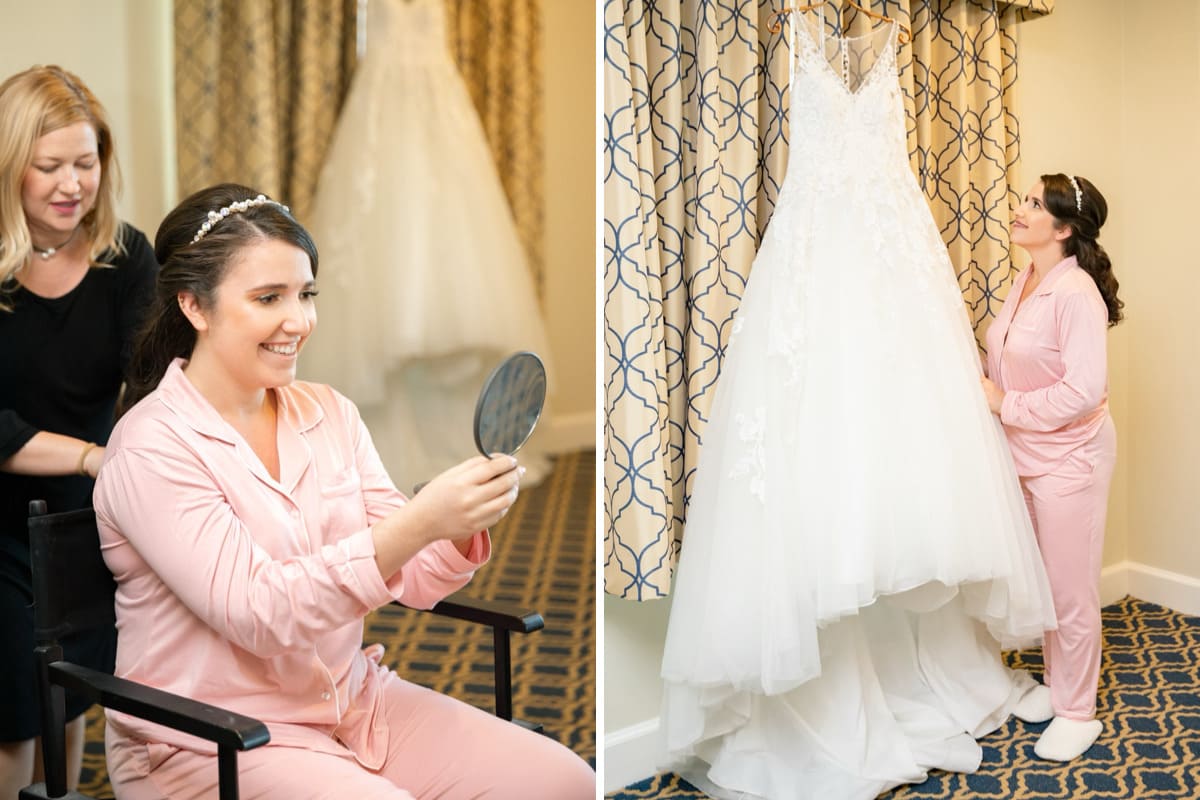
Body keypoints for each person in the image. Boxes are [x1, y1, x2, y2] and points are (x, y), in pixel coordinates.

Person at [92, 183, 595, 799]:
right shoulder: (152, 447)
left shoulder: (329, 411)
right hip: (209, 741)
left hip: (350, 705)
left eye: (306, 294)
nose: (299, 321)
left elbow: (416, 578)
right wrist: (417, 523)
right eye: (268, 298)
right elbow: (260, 613)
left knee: (567, 781)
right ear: (194, 306)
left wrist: (454, 522)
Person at [0, 64, 158, 796]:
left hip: (87, 523)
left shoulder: (125, 258)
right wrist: (96, 456)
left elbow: (152, 379)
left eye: (86, 163)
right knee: (13, 721)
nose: (73, 184)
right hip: (0, 525)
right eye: (50, 166)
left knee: (71, 702)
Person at [981, 173, 1121, 762]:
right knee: (1040, 582)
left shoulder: (1076, 293)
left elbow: (1084, 391)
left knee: (1069, 590)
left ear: (1062, 229)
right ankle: (1058, 685)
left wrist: (1003, 403)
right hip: (1025, 455)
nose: (1019, 209)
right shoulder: (1027, 279)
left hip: (1071, 461)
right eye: (1024, 200)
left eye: (1034, 205)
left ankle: (1076, 709)